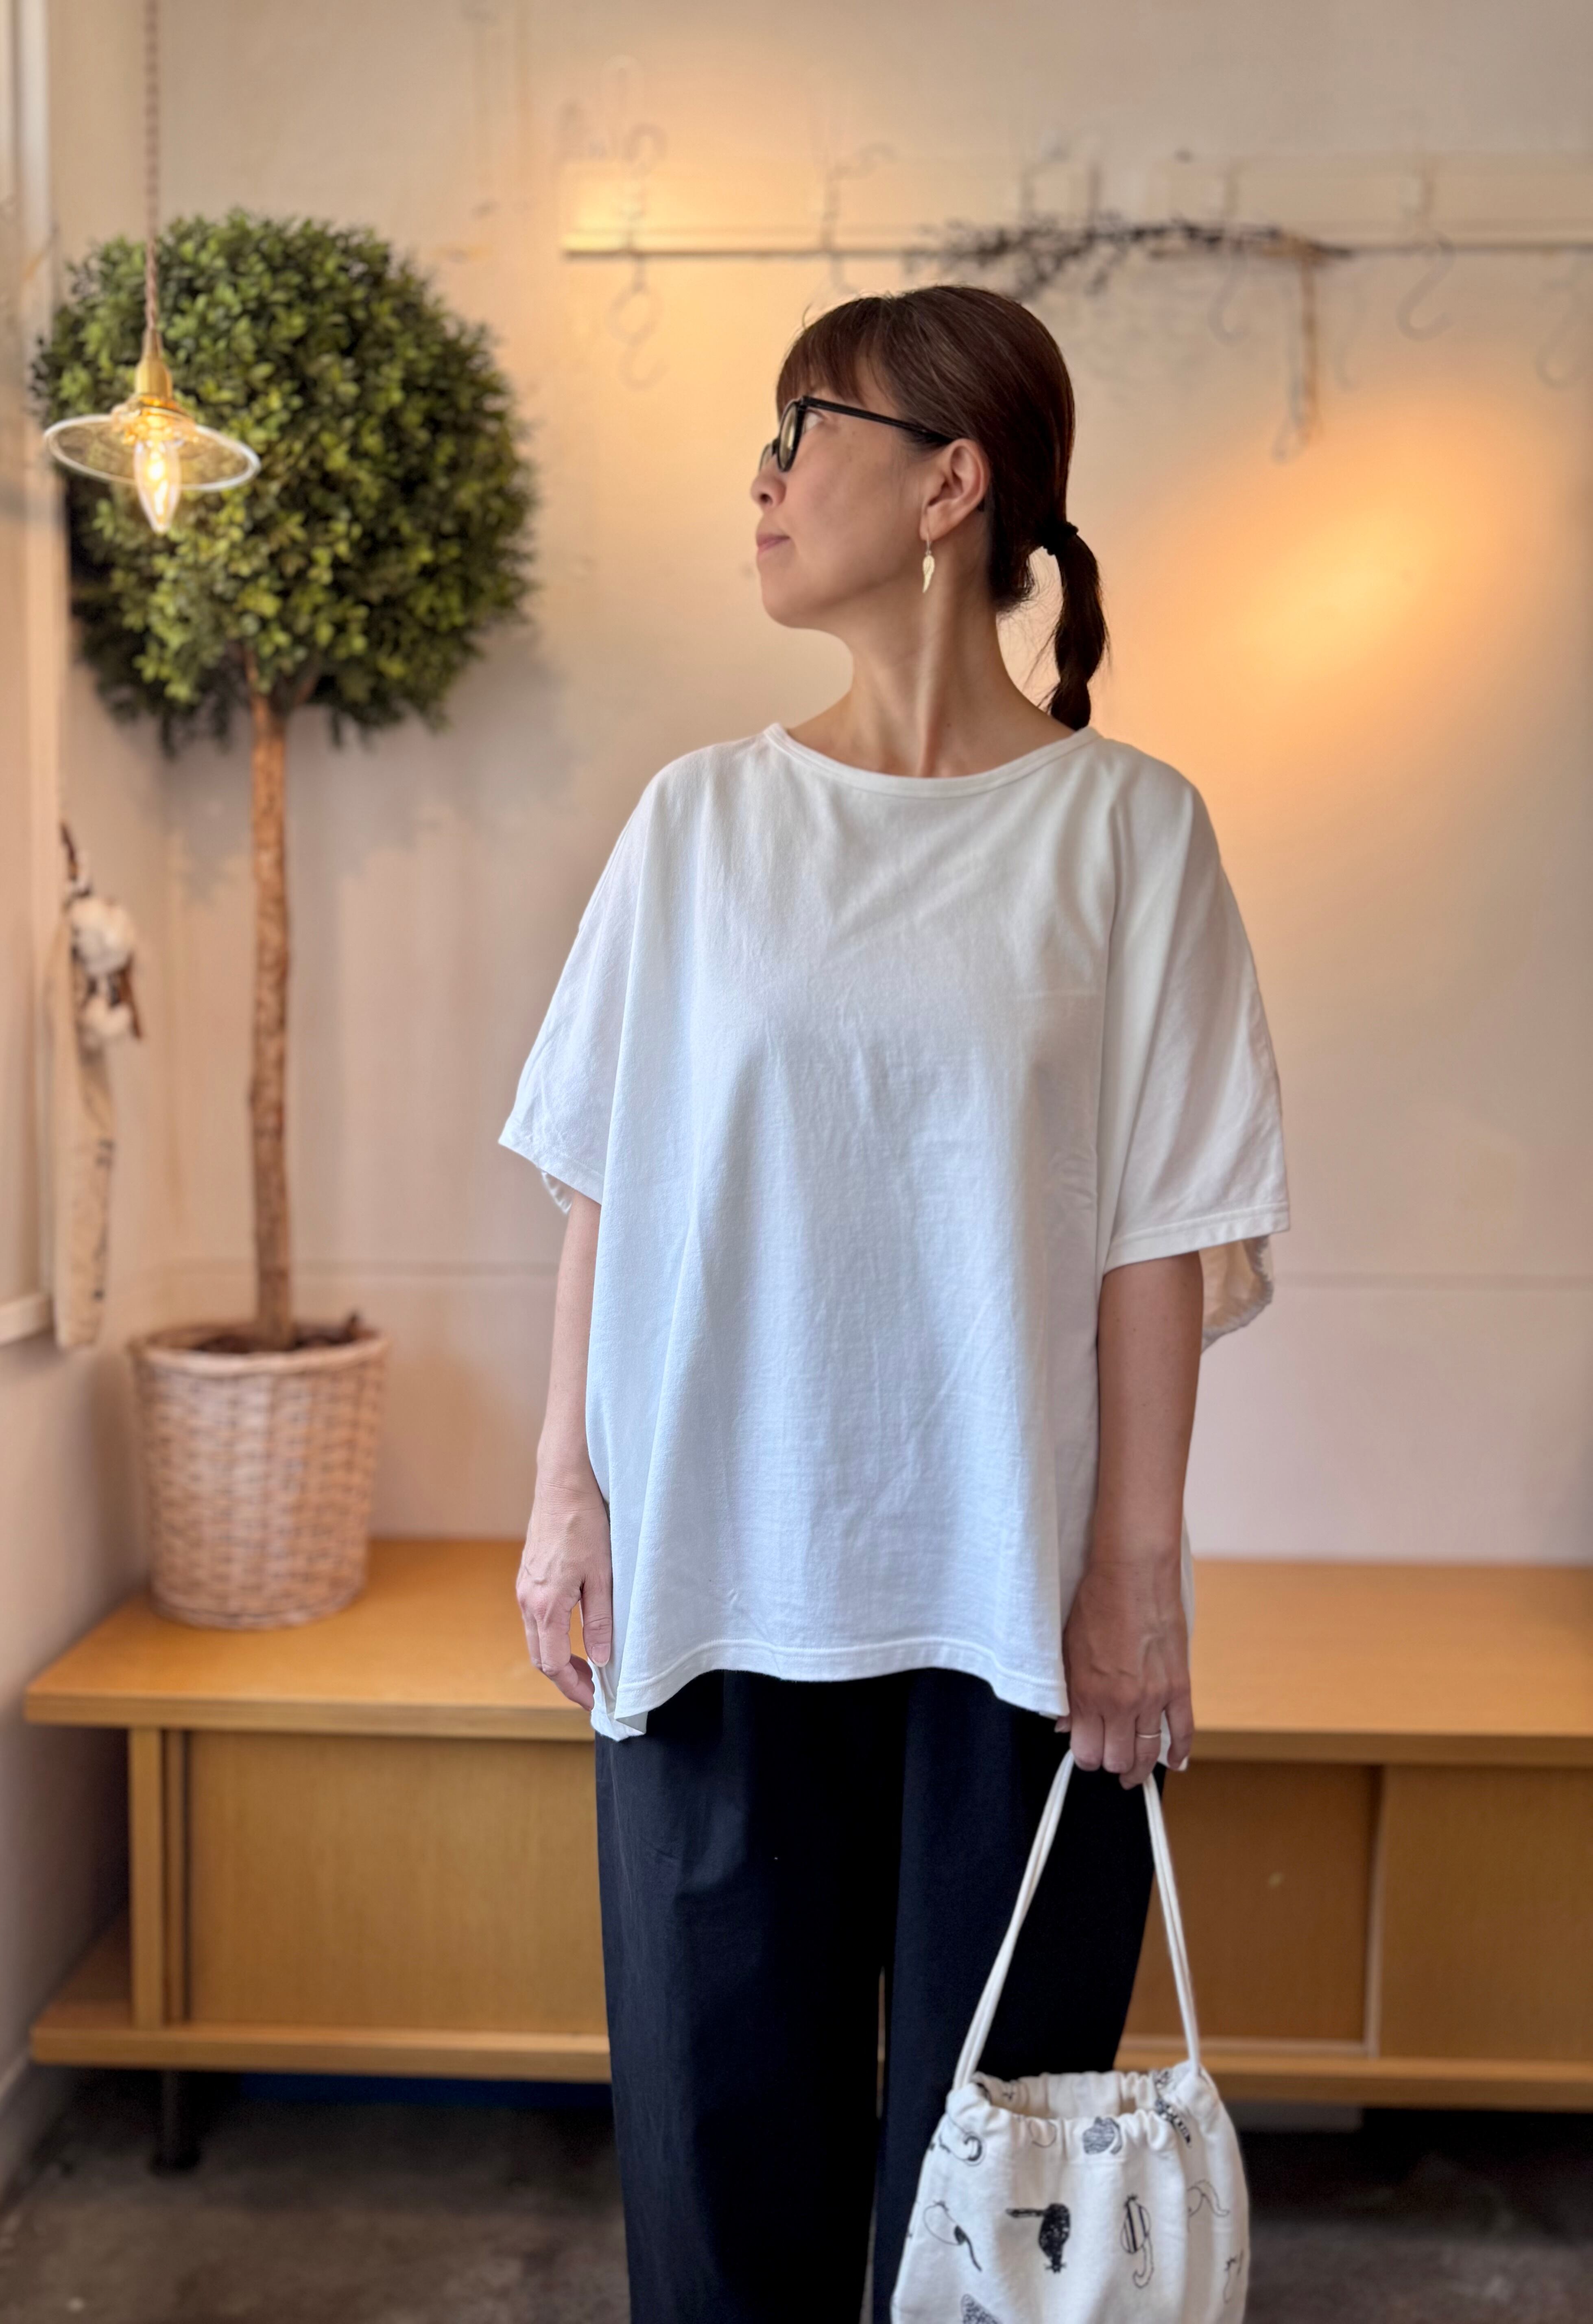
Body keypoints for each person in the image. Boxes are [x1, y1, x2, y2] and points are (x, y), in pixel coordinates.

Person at [497, 283, 1289, 2323]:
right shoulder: (700, 823)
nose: (762, 480)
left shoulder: (1129, 833)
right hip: (718, 1579)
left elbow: (1161, 1230)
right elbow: (607, 1179)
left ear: (952, 486)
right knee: (721, 2198)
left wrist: (1138, 1572)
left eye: (803, 432)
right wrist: (565, 1492)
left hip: (1012, 1613)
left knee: (997, 2228)